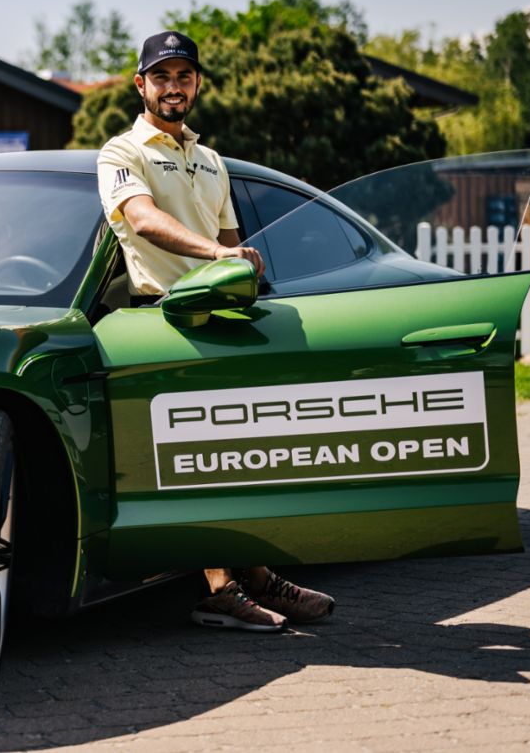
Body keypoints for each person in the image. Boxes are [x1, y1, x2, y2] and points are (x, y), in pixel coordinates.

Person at [96, 31, 335, 632]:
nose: (174, 87)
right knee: (194, 460)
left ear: (196, 84)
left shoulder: (211, 159)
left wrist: (244, 279)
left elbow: (232, 245)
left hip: (225, 319)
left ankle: (256, 576)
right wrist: (218, 257)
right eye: (162, 76)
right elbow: (144, 221)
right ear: (141, 84)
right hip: (165, 319)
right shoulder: (121, 152)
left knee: (242, 460)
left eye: (184, 76)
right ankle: (219, 589)